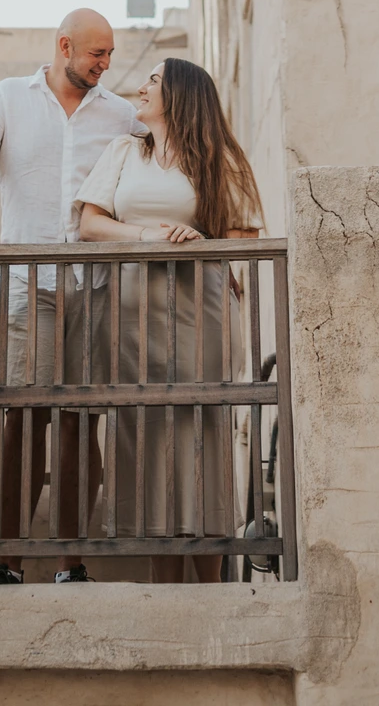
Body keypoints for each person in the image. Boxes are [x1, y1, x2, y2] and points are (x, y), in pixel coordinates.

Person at [0, 6, 143, 585]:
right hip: (28, 283)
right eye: (97, 53)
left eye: (111, 54)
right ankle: (9, 560)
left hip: (94, 288)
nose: (106, 64)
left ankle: (71, 562)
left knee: (79, 420)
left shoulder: (121, 115)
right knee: (24, 416)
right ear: (64, 46)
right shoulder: (8, 98)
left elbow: (161, 169)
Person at [76, 56, 263, 583]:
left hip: (198, 313)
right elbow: (90, 224)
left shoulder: (220, 160)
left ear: (180, 95)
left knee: (200, 432)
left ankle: (212, 592)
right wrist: (145, 236)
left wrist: (202, 241)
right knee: (143, 432)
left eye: (153, 81)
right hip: (132, 314)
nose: (140, 87)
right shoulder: (123, 152)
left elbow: (247, 235)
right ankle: (165, 593)